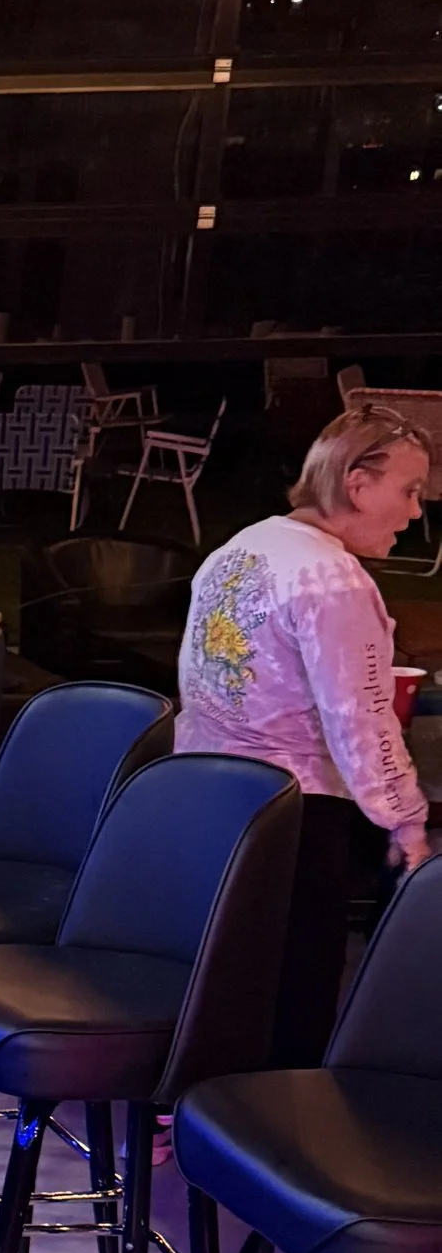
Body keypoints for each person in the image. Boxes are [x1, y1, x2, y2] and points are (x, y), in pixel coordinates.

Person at [174, 398, 433, 1061]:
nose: (415, 512)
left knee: (222, 985)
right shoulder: (331, 579)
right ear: (358, 482)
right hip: (292, 811)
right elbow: (361, 717)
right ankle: (273, 1117)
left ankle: (196, 1105)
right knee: (290, 1001)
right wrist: (406, 821)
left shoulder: (244, 546)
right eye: (408, 491)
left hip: (203, 794)